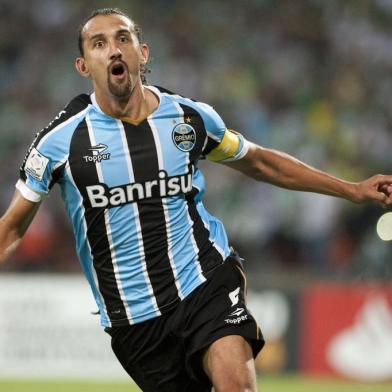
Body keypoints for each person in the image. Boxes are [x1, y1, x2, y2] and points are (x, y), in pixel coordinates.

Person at [1, 7, 391, 392]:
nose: (114, 50)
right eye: (99, 43)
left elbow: (258, 162)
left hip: (204, 281)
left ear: (143, 53)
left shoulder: (187, 118)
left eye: (123, 39)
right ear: (83, 66)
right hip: (135, 320)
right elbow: (13, 226)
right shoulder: (59, 142)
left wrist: (351, 189)